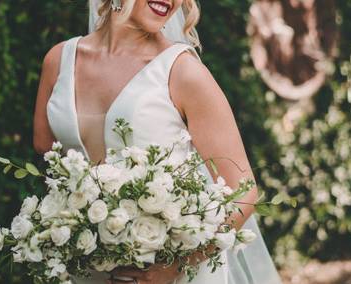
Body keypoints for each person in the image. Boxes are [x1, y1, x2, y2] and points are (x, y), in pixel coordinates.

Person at [33, 0, 282, 283]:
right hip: (84, 268)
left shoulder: (184, 73)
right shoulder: (58, 61)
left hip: (168, 272)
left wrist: (175, 266)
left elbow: (243, 192)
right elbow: (46, 148)